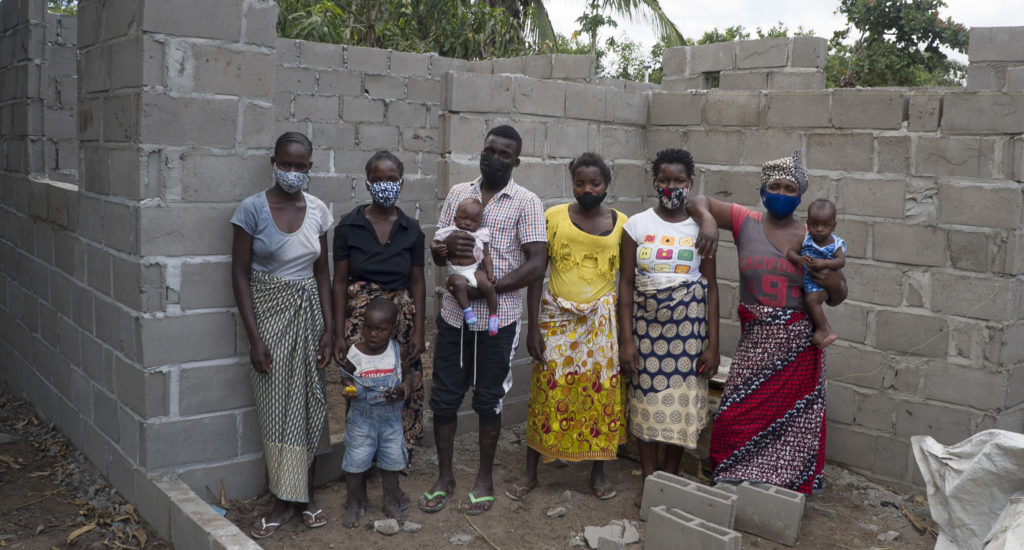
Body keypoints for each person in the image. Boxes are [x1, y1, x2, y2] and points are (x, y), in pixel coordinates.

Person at [687, 150, 848, 494]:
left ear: (800, 197)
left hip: (799, 349)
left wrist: (827, 276)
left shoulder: (813, 236)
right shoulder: (745, 221)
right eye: (775, 186)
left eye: (791, 189)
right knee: (733, 417)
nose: (783, 194)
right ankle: (732, 482)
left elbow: (837, 295)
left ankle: (782, 492)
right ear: (763, 191)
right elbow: (696, 200)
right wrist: (709, 220)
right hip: (755, 342)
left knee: (794, 424)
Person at [420, 125, 546, 515]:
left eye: (504, 154)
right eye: (489, 149)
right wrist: (441, 250)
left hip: (498, 318)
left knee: (489, 399)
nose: (494, 157)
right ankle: (445, 477)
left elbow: (537, 262)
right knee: (443, 397)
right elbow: (439, 252)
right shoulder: (459, 193)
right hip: (454, 316)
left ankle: (484, 479)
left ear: (516, 161)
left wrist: (488, 287)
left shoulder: (526, 202)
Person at [506, 153, 628, 502]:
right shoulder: (553, 217)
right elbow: (534, 275)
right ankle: (531, 471)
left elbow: (626, 281)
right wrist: (533, 328)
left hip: (601, 325)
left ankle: (598, 470)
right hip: (556, 318)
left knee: (600, 393)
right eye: (579, 183)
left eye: (595, 183)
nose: (587, 189)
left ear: (607, 184)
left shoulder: (622, 223)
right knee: (547, 391)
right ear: (571, 183)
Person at [231, 132, 333, 537]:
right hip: (270, 321)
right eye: (286, 164)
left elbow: (322, 272)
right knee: (276, 411)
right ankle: (280, 499)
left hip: (309, 318)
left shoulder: (320, 211)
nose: (293, 172)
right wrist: (255, 338)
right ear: (273, 162)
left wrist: (329, 329)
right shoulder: (252, 210)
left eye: (301, 166)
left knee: (310, 403)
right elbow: (239, 274)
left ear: (310, 166)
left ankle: (305, 495)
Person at [617, 148, 720, 508]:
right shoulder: (636, 225)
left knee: (680, 407)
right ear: (654, 182)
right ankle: (649, 481)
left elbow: (711, 286)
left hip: (689, 335)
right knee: (646, 405)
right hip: (646, 331)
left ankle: (670, 481)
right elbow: (626, 286)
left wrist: (713, 343)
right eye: (664, 180)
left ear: (690, 183)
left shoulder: (702, 228)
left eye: (679, 181)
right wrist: (626, 342)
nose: (671, 186)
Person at [331, 150, 425, 513]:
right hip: (360, 316)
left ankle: (396, 455)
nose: (386, 185)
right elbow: (339, 281)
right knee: (361, 383)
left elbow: (418, 280)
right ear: (367, 181)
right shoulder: (348, 226)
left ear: (401, 182)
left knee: (404, 380)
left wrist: (417, 330)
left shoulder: (411, 228)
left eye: (392, 179)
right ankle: (363, 454)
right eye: (379, 178)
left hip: (399, 316)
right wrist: (339, 332)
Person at [338, 298, 413, 528]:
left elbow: (408, 375)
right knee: (356, 461)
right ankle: (353, 504)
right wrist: (349, 389)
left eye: (380, 329)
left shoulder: (398, 351)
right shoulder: (355, 352)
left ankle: (389, 502)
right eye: (368, 327)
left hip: (391, 421)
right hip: (362, 419)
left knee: (391, 463)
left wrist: (403, 389)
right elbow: (346, 377)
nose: (372, 334)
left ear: (393, 328)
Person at [432, 197, 499, 335]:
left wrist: (490, 273)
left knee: (487, 285)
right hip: (456, 272)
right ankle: (467, 310)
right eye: (464, 218)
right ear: (455, 219)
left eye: (474, 221)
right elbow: (434, 243)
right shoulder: (447, 231)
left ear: (480, 223)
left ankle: (493, 316)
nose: (468, 223)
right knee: (458, 284)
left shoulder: (480, 234)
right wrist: (436, 248)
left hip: (474, 269)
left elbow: (486, 256)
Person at [785, 199, 846, 349]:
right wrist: (799, 258)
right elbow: (790, 252)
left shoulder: (835, 243)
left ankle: (824, 329)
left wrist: (824, 263)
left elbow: (840, 262)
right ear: (808, 223)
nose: (819, 229)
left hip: (822, 282)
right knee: (810, 301)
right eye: (814, 225)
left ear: (834, 226)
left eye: (825, 226)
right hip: (808, 281)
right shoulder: (805, 239)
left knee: (811, 301)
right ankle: (825, 329)